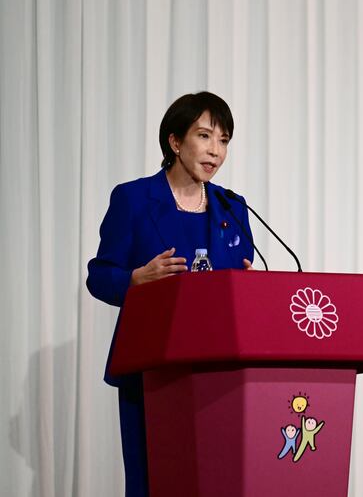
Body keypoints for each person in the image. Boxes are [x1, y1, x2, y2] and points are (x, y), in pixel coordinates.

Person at [86, 92, 255, 496]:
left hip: (220, 371)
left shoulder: (233, 208)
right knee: (153, 481)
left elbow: (244, 281)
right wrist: (134, 279)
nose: (216, 151)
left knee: (219, 480)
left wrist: (251, 288)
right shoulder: (133, 199)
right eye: (204, 136)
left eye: (224, 140)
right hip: (152, 368)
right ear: (175, 142)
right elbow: (99, 275)